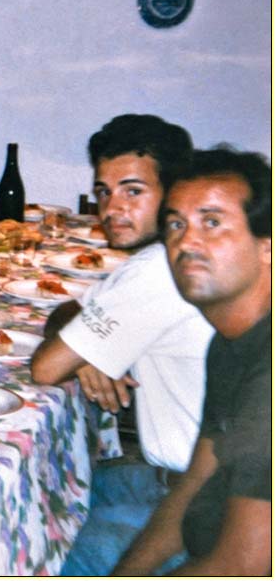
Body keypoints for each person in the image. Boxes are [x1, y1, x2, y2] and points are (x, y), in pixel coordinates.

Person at [29, 114, 212, 575]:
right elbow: (70, 309)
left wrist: (77, 351)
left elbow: (45, 368)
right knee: (49, 490)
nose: (112, 208)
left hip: (202, 505)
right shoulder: (165, 255)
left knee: (43, 542)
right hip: (174, 474)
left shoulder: (157, 270)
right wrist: (85, 355)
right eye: (104, 191)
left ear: (173, 192)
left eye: (133, 191)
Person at [114, 147, 271, 575]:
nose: (185, 242)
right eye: (176, 224)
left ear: (267, 247)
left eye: (212, 222)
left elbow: (243, 565)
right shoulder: (229, 343)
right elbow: (193, 486)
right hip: (203, 537)